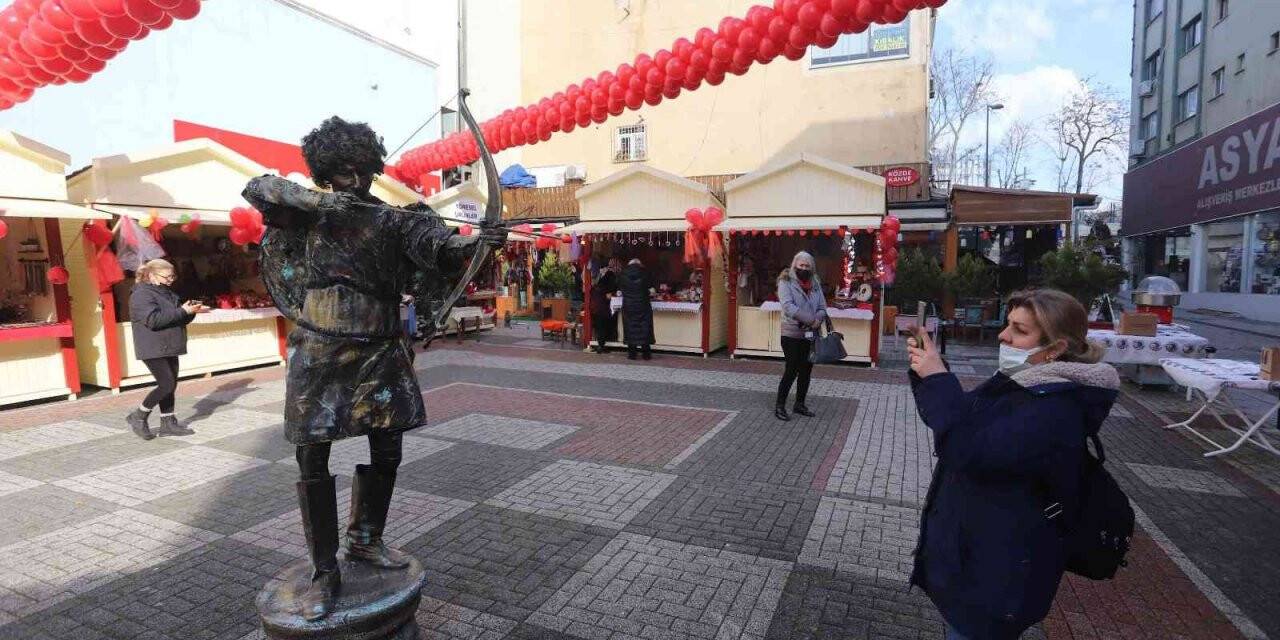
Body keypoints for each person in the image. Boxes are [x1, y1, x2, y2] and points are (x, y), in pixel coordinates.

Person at [242, 116, 503, 621]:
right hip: (320, 350)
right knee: (311, 456)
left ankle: (365, 539)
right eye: (341, 171)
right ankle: (324, 569)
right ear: (325, 173)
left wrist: (478, 243)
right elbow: (259, 187)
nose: (353, 180)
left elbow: (442, 251)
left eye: (361, 169)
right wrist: (319, 203)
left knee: (388, 448)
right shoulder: (309, 214)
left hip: (381, 348)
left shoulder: (397, 220)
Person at [905, 289, 1120, 640]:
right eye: (1008, 325)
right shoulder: (1023, 383)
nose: (1003, 336)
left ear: (1054, 349)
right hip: (979, 563)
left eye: (1019, 331)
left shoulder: (1056, 406)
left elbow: (967, 448)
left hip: (997, 577)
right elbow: (964, 417)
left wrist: (938, 378)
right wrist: (929, 373)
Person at [124, 259, 205, 440]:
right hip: (153, 346)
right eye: (167, 276)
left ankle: (168, 422)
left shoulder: (166, 292)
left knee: (171, 385)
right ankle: (139, 415)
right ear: (151, 275)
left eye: (172, 276)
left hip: (170, 344)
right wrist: (182, 312)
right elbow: (153, 320)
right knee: (166, 384)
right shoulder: (141, 294)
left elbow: (176, 317)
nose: (171, 280)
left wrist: (190, 312)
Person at [775, 251, 825, 421]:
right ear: (795, 265)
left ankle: (799, 404)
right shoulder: (786, 281)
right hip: (791, 334)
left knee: (806, 370)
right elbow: (788, 306)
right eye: (801, 265)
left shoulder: (815, 282)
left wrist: (818, 318)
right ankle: (780, 405)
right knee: (792, 369)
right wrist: (812, 320)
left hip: (810, 335)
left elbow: (822, 306)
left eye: (807, 266)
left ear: (812, 267)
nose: (803, 268)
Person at [618, 258, 654, 360]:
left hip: (629, 306)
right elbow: (651, 289)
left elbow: (620, 290)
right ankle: (646, 354)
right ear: (639, 264)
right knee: (645, 328)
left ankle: (632, 354)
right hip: (643, 305)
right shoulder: (645, 273)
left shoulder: (623, 274)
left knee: (630, 329)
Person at [590, 258, 621, 353]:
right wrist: (612, 292)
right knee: (603, 324)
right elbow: (609, 291)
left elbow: (596, 287)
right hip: (603, 304)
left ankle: (601, 345)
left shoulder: (601, 275)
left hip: (597, 303)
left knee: (600, 325)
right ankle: (601, 346)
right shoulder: (610, 275)